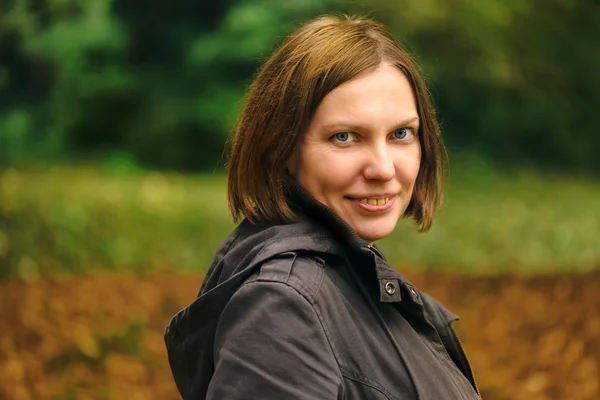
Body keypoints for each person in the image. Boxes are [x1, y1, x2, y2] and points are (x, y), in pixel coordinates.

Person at [165, 15, 481, 400]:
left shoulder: (350, 273)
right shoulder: (282, 307)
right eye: (345, 137)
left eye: (401, 134)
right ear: (280, 147)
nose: (383, 168)